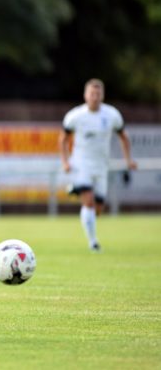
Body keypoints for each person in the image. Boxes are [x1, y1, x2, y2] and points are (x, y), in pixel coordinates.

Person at [59, 78, 137, 252]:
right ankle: (93, 242)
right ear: (85, 95)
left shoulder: (112, 115)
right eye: (92, 93)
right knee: (88, 201)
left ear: (102, 95)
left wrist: (128, 160)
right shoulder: (75, 116)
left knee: (99, 208)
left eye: (98, 93)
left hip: (101, 165)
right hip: (81, 164)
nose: (95, 97)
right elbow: (63, 138)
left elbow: (124, 136)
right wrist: (65, 161)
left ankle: (76, 191)